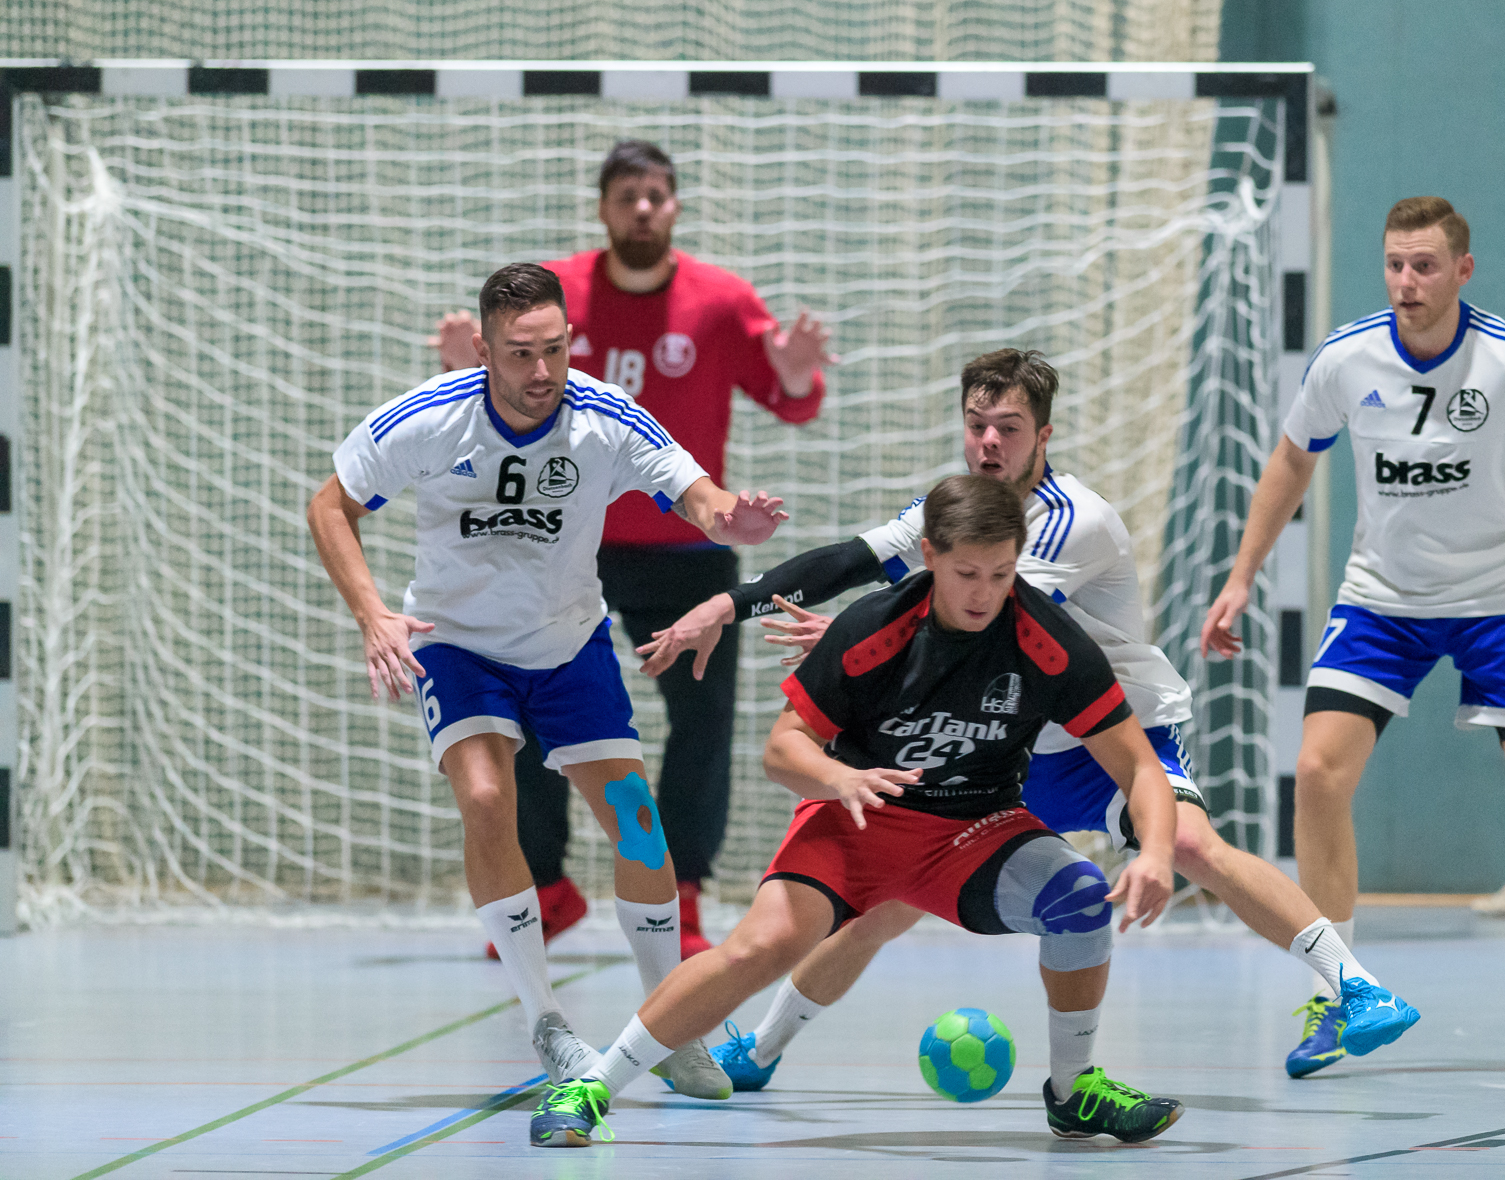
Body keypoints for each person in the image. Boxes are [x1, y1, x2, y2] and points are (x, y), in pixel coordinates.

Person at [641, 347, 1414, 1086]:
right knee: (889, 900)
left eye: (1008, 428)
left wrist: (867, 629)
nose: (988, 441)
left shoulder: (1072, 520)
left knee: (1186, 843)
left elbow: (986, 615)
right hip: (1008, 746)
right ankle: (762, 1047)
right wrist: (729, 605)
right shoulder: (952, 511)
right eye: (976, 423)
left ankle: (1354, 985)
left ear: (1043, 436)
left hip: (1109, 734)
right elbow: (849, 560)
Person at [527, 475, 1188, 1147]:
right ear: (929, 555)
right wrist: (839, 776)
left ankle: (1073, 1091)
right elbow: (783, 749)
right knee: (760, 949)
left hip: (972, 832)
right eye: (966, 573)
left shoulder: (1049, 640)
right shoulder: (874, 627)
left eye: (1001, 573)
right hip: (856, 820)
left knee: (1081, 898)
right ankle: (591, 1087)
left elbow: (1139, 765)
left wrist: (1157, 854)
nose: (984, 593)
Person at [1199, 195, 1505, 1078]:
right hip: (1383, 599)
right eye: (1395, 263)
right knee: (1317, 773)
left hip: (1503, 597)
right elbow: (1292, 458)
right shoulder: (1347, 357)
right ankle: (1338, 991)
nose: (1406, 281)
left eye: (1424, 265)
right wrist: (1241, 577)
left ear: (1463, 269)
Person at [308, 262, 788, 1095]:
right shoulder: (432, 416)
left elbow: (693, 490)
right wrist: (372, 614)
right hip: (459, 646)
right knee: (486, 798)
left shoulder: (603, 415)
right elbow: (329, 505)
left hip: (569, 646)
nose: (542, 371)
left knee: (639, 826)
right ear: (483, 351)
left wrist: (728, 517)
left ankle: (671, 1027)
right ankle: (547, 1023)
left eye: (556, 349)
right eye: (521, 353)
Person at [434, 139, 833, 960]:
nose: (643, 209)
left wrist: (795, 373)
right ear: (603, 207)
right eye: (627, 195)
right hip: (558, 542)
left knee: (701, 720)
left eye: (656, 194)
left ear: (675, 205)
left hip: (684, 548)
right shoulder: (556, 294)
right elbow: (493, 393)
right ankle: (546, 887)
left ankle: (677, 892)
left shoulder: (721, 301)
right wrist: (457, 369)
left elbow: (793, 402)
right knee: (524, 711)